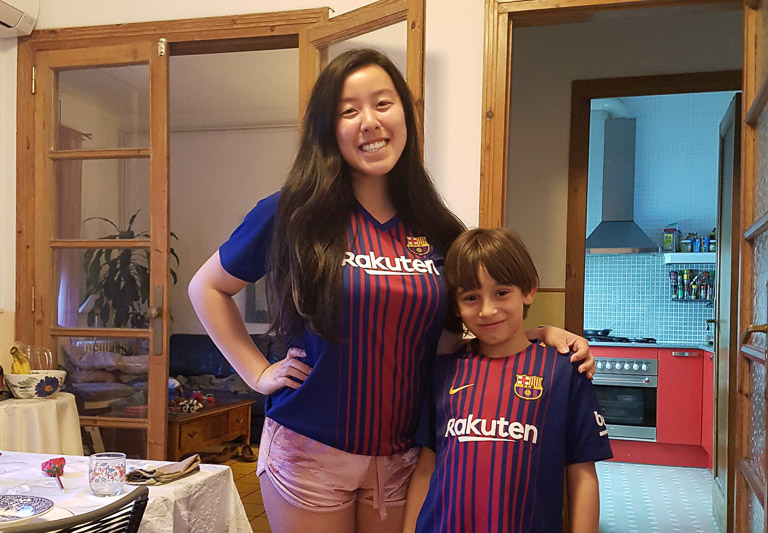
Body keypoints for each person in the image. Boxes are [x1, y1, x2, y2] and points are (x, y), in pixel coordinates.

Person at [188, 48, 595, 533]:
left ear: (404, 113)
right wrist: (257, 374)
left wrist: (538, 334)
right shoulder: (291, 212)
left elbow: (462, 329)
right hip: (309, 450)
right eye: (348, 110)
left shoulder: (438, 228)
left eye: (382, 103)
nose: (369, 121)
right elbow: (207, 287)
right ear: (328, 127)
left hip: (404, 456)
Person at [403, 227, 613, 533]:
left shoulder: (565, 372)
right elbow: (426, 468)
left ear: (528, 290)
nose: (487, 310)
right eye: (471, 297)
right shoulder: (444, 371)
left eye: (501, 293)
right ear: (457, 307)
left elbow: (581, 475)